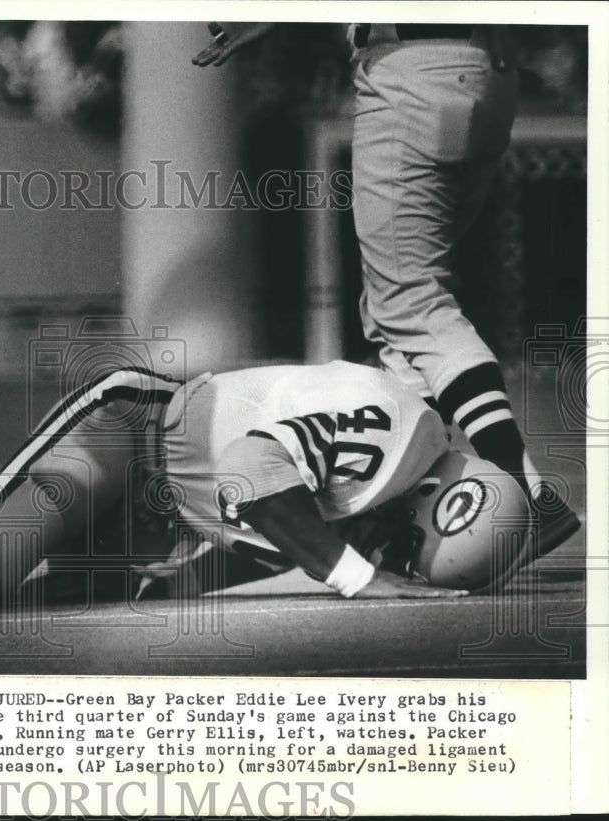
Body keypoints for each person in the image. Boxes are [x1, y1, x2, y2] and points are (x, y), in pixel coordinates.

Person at [191, 21, 579, 560]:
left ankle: (531, 495)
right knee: (394, 318)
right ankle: (399, 512)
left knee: (411, 302)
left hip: (412, 72)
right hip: (481, 69)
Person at [0, 361, 537, 615]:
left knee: (58, 599)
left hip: (181, 507)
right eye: (408, 546)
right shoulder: (388, 435)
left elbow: (261, 521)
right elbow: (256, 475)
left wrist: (182, 578)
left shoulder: (420, 448)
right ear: (435, 500)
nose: (391, 553)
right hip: (127, 435)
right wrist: (362, 578)